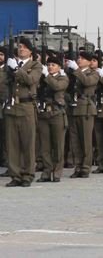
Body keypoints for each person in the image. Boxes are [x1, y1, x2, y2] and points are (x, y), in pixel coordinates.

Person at [4, 38, 43, 187]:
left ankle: (27, 174)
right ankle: (15, 175)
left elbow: (30, 80)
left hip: (26, 107)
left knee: (28, 143)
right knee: (12, 144)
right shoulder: (10, 64)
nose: (21, 49)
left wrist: (16, 69)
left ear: (30, 51)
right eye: (20, 47)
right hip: (12, 107)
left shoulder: (35, 65)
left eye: (24, 47)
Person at [67, 51, 100, 179]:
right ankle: (78, 166)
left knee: (86, 141)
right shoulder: (74, 73)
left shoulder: (93, 73)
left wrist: (76, 70)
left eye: (82, 58)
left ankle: (86, 167)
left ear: (89, 61)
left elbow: (87, 82)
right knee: (75, 141)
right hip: (74, 109)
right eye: (78, 58)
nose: (79, 60)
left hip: (86, 109)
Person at [36, 54, 69, 182]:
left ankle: (57, 172)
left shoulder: (63, 78)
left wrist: (46, 75)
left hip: (57, 114)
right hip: (44, 114)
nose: (50, 67)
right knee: (45, 146)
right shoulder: (43, 77)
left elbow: (57, 87)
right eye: (48, 65)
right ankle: (46, 172)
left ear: (59, 67)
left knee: (58, 145)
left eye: (53, 65)